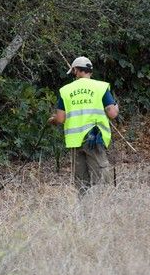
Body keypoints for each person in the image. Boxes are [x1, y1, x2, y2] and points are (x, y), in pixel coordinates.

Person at [48, 56, 119, 193]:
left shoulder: (65, 90)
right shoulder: (101, 87)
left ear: (75, 70)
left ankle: (83, 211)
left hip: (75, 141)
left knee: (81, 183)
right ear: (90, 71)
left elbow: (60, 119)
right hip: (94, 138)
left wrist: (53, 120)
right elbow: (112, 113)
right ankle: (102, 206)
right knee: (101, 179)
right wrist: (116, 107)